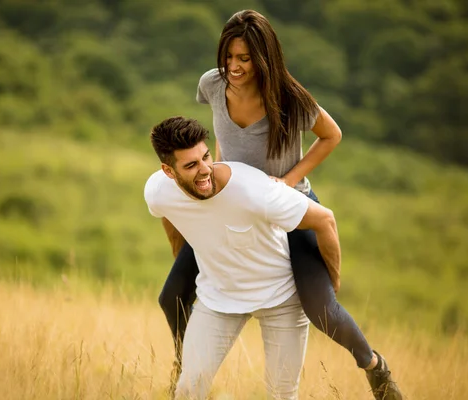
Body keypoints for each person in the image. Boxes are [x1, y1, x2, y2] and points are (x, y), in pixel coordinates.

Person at [158, 10, 403, 400]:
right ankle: (182, 363)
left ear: (263, 57)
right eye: (229, 56)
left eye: (245, 59)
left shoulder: (288, 97)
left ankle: (375, 367)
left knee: (321, 308)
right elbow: (221, 141)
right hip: (231, 202)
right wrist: (219, 173)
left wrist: (289, 181)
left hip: (288, 205)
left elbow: (331, 134)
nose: (234, 67)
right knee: (171, 294)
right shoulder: (211, 84)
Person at [145, 116, 342, 399]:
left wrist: (332, 282)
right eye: (191, 165)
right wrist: (182, 255)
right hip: (219, 300)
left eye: (206, 157)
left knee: (282, 395)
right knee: (188, 389)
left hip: (281, 299)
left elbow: (325, 219)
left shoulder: (253, 188)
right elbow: (166, 210)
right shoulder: (157, 190)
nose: (204, 170)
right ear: (168, 171)